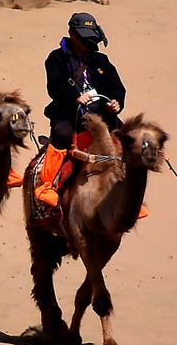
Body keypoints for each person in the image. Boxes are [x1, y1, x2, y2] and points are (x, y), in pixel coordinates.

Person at [35, 13, 125, 206]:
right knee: (62, 135)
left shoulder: (101, 61)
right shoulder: (56, 58)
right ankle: (47, 184)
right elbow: (55, 88)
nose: (86, 43)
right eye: (82, 38)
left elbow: (116, 87)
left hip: (101, 115)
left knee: (127, 138)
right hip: (69, 114)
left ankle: (126, 192)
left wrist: (116, 102)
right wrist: (74, 97)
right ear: (71, 34)